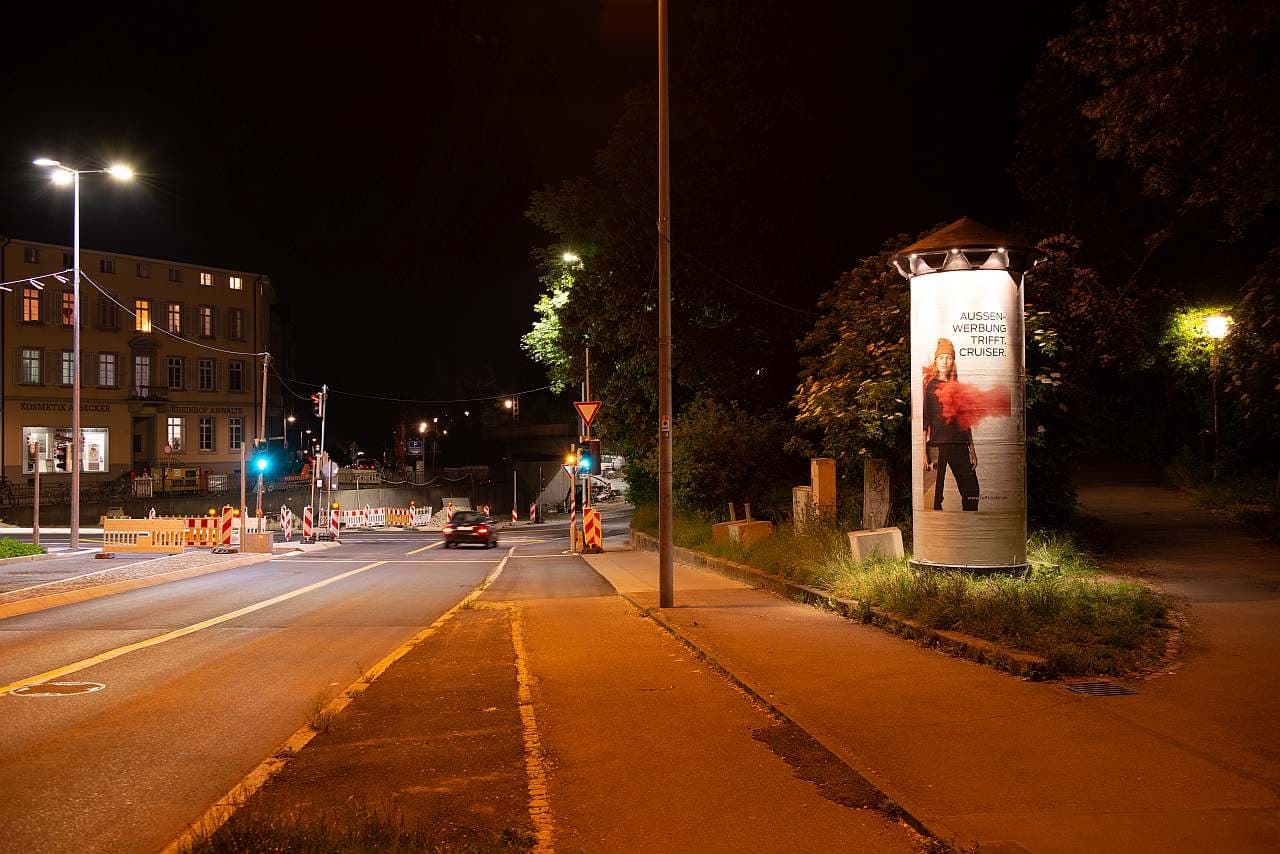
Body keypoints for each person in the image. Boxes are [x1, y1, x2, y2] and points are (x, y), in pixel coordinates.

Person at [923, 338, 980, 511]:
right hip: (936, 446)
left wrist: (972, 451)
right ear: (936, 360)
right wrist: (922, 453)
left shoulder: (958, 387)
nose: (944, 361)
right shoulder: (930, 386)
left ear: (953, 361)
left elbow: (965, 421)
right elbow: (925, 421)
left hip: (959, 444)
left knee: (972, 491)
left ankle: (968, 530)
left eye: (948, 357)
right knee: (933, 496)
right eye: (941, 357)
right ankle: (938, 534)